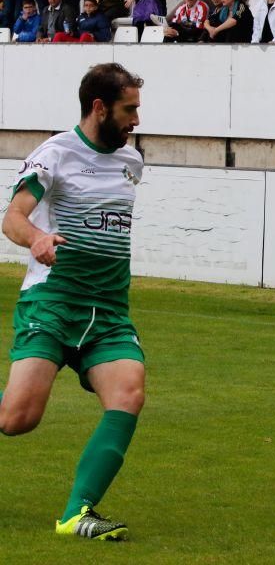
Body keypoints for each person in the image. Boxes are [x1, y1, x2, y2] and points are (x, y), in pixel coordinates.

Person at [0, 62, 146, 541]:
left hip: (108, 310)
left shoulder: (132, 162)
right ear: (99, 107)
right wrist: (37, 239)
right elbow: (13, 218)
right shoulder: (55, 154)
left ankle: (76, 514)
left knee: (128, 391)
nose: (136, 121)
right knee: (17, 419)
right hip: (54, 300)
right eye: (129, 110)